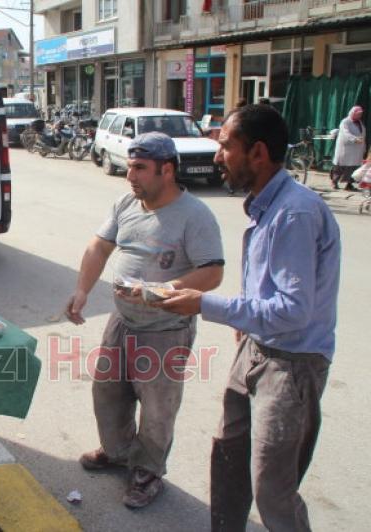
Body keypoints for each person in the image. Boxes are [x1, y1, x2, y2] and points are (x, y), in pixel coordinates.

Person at [158, 105, 340, 531]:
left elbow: (293, 312)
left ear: (257, 152)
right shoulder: (267, 206)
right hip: (257, 351)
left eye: (226, 146)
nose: (218, 155)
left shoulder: (295, 213)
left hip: (290, 365)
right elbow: (270, 289)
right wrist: (245, 321)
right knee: (228, 461)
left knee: (272, 489)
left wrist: (202, 303)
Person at [66, 132, 225, 509]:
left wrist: (161, 290)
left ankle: (147, 471)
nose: (130, 175)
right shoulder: (127, 203)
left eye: (139, 168)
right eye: (130, 165)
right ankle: (119, 452)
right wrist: (82, 290)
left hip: (165, 331)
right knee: (107, 393)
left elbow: (212, 273)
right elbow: (99, 246)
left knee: (157, 409)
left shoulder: (195, 216)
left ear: (166, 170)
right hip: (122, 322)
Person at [331, 105, 365, 191]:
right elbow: (346, 133)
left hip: (356, 150)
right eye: (358, 114)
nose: (359, 116)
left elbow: (362, 134)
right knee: (340, 166)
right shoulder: (345, 122)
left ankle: (349, 185)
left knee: (353, 167)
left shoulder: (359, 123)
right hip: (345, 148)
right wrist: (355, 139)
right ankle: (334, 182)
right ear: (353, 113)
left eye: (360, 114)